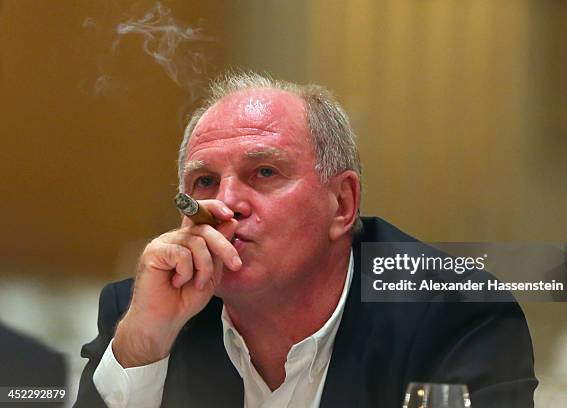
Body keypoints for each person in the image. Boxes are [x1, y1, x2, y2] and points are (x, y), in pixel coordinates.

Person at [75, 72, 537, 408]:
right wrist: (142, 348)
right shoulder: (145, 315)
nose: (225, 204)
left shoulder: (458, 315)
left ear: (342, 203)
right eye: (204, 182)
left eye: (264, 173)